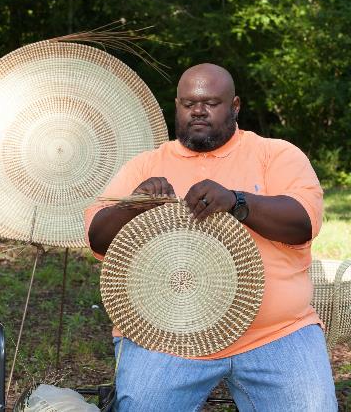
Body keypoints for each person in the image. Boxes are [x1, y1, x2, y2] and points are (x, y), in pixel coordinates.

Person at [85, 64, 337, 411]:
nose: (198, 111)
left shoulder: (275, 154)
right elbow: (97, 238)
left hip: (276, 331)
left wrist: (238, 201)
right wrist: (132, 206)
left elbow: (304, 221)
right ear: (176, 106)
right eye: (189, 103)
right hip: (165, 336)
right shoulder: (144, 166)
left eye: (211, 103)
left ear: (234, 107)